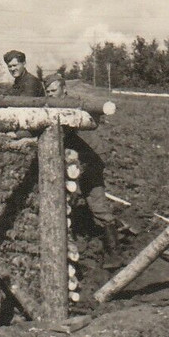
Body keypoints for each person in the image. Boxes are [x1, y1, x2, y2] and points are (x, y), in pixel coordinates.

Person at [46, 77, 123, 268]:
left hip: (90, 159)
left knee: (97, 203)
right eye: (47, 91)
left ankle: (114, 254)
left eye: (53, 91)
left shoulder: (72, 107)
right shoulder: (54, 107)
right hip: (75, 160)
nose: (50, 94)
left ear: (63, 90)